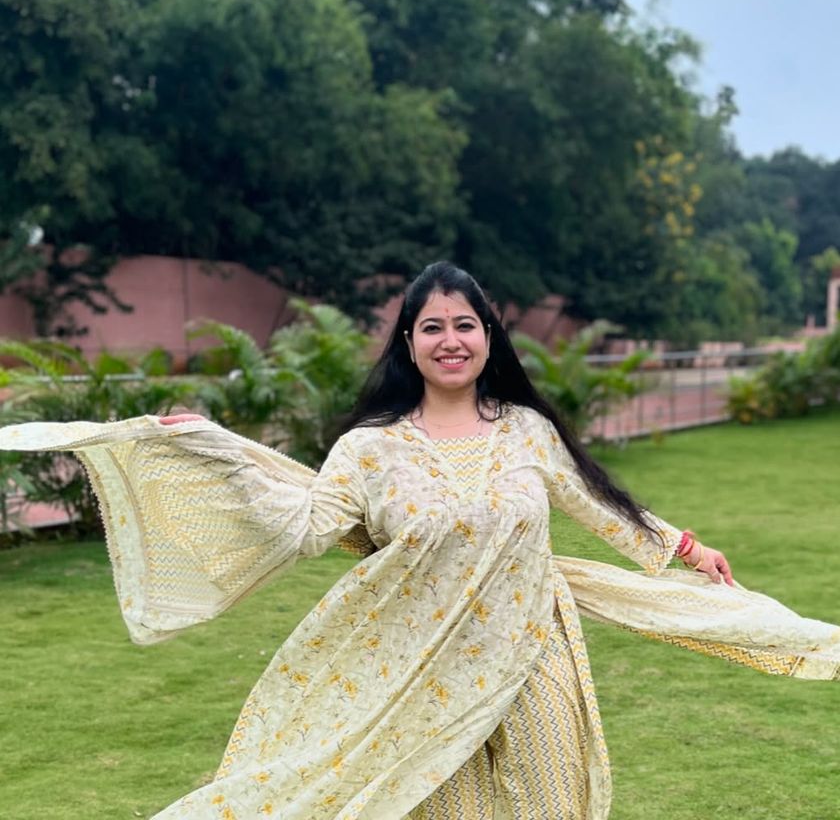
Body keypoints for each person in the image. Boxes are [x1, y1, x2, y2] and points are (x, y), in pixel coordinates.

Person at [2, 261, 838, 820]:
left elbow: (600, 506)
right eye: (432, 327)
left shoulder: (525, 431)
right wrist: (216, 448)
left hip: (532, 650)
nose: (450, 341)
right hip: (421, 667)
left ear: (489, 336)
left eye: (465, 324)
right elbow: (304, 528)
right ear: (409, 342)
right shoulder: (369, 450)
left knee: (551, 802)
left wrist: (685, 550)